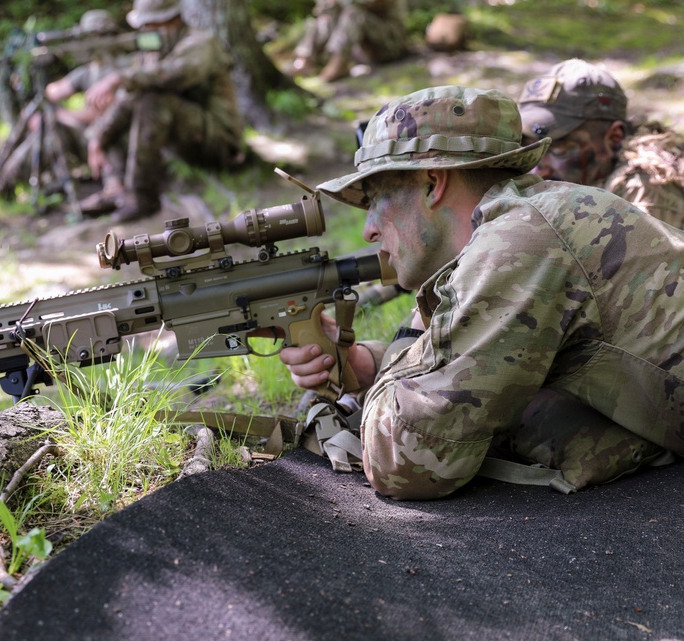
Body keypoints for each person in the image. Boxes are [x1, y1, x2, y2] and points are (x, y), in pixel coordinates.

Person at [280, 85, 684, 500]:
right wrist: (365, 365)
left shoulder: (518, 241)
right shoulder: (532, 217)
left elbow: (408, 460)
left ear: (432, 183)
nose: (369, 229)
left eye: (375, 198)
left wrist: (388, 378)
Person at [78, 0, 244, 223]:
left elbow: (176, 74)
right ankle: (116, 187)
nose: (144, 32)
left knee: (153, 99)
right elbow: (127, 99)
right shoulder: (156, 50)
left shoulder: (202, 43)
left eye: (147, 26)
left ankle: (142, 198)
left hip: (219, 142)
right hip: (182, 143)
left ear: (167, 22)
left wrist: (119, 78)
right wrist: (98, 137)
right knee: (127, 109)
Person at [518, 58, 684, 229]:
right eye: (530, 149)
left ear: (614, 138)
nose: (539, 169)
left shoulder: (647, 186)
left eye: (559, 150)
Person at [0, 9, 124, 195]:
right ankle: (4, 178)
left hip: (107, 138)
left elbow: (106, 113)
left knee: (51, 124)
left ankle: (7, 182)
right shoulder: (91, 69)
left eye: (95, 36)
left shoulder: (121, 69)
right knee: (43, 122)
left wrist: (58, 115)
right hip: (89, 136)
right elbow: (54, 91)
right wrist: (42, 66)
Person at [291, 0, 410, 83]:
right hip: (360, 50)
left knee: (353, 13)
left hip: (389, 45)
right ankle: (304, 59)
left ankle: (338, 64)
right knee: (325, 20)